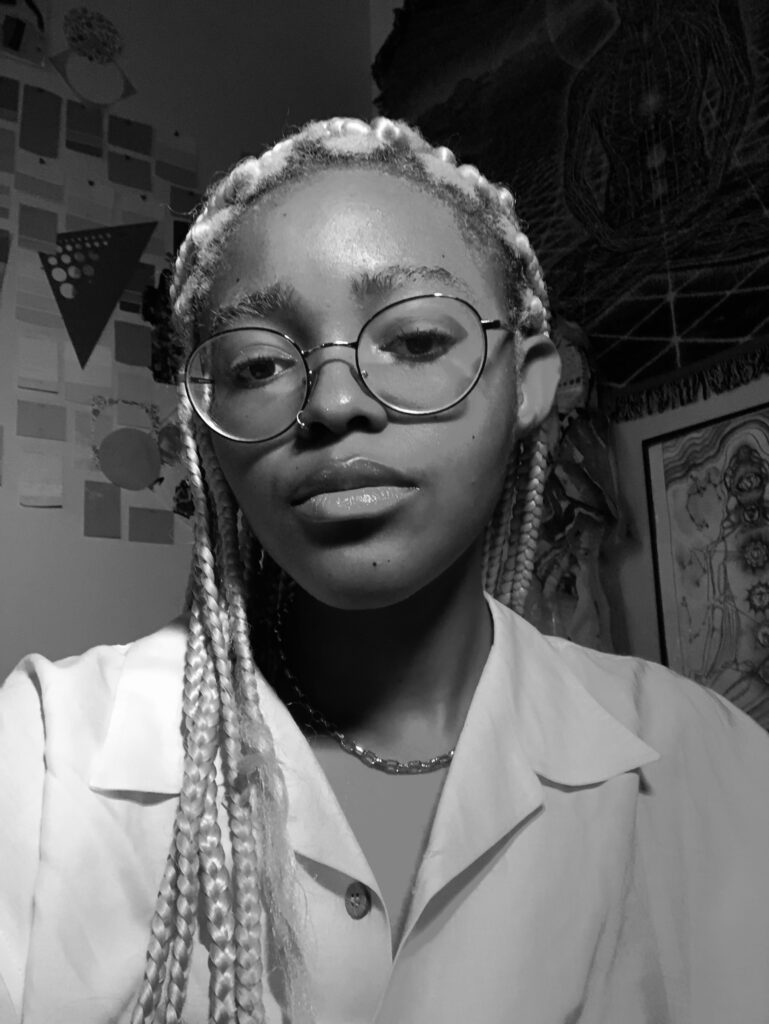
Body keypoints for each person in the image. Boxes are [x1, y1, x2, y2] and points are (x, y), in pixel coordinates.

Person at [1, 116, 768, 1024]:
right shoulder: (44, 760)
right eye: (258, 363)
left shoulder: (713, 769)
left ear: (527, 383)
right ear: (205, 421)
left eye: (412, 343)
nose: (330, 402)